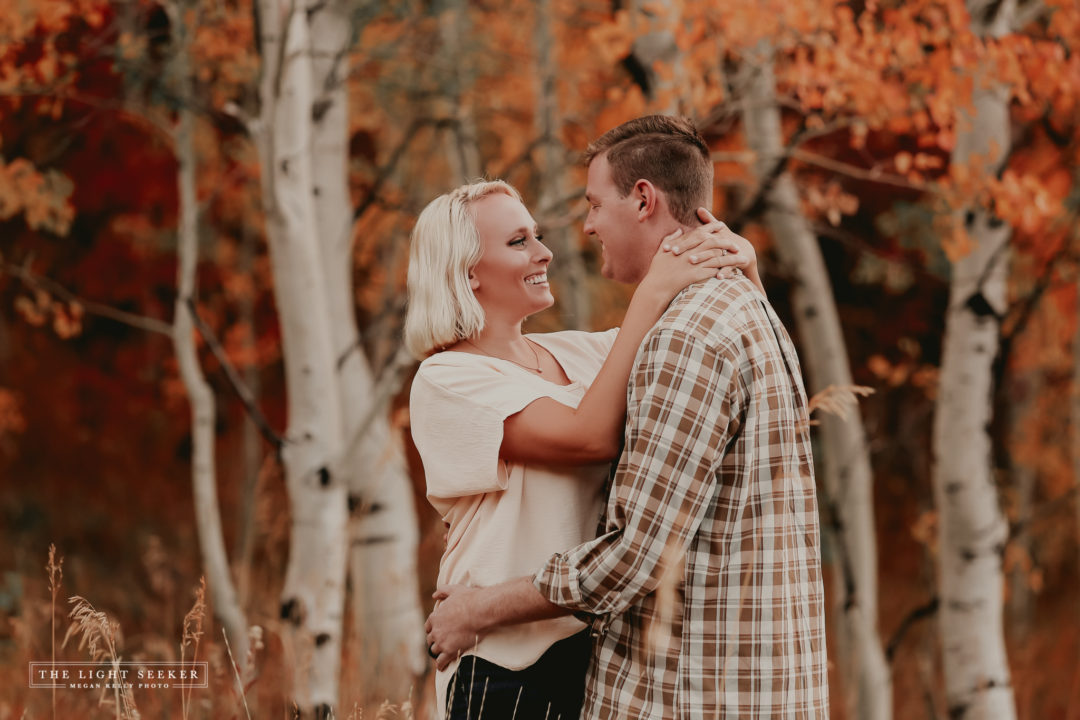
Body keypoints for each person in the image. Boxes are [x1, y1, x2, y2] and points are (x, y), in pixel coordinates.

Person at [425, 115, 830, 718]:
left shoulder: (602, 348)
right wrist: (675, 287)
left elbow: (635, 547)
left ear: (644, 199)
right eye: (518, 242)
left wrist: (741, 269)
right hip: (504, 657)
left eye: (590, 205)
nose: (561, 241)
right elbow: (590, 435)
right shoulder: (448, 378)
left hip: (584, 649)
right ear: (466, 271)